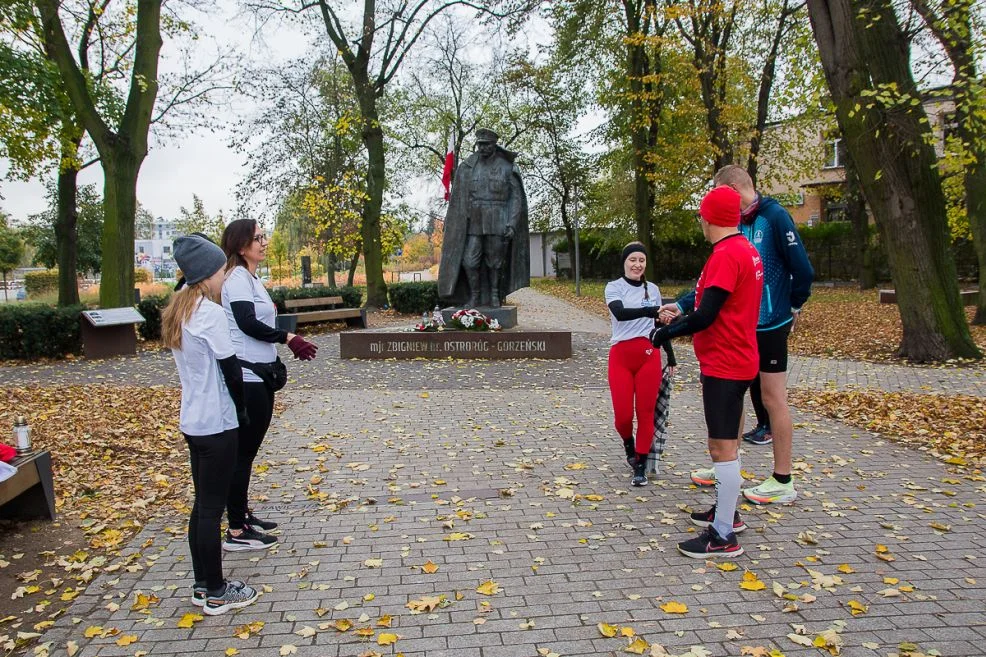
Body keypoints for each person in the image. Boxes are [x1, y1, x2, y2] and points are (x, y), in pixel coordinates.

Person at [665, 166, 814, 504]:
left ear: (733, 188)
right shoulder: (735, 225)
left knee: (773, 398)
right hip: (741, 326)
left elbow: (802, 269)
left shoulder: (774, 216)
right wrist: (683, 303)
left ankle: (782, 479)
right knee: (735, 397)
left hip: (771, 324)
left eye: (718, 190)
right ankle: (727, 464)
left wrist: (792, 308)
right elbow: (717, 284)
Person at [650, 186, 763, 558]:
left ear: (709, 218)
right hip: (739, 357)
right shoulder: (743, 249)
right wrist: (680, 311)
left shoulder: (726, 254)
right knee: (726, 440)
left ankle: (723, 535)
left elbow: (707, 315)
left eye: (701, 215)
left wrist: (664, 333)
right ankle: (727, 513)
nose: (700, 221)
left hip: (726, 363)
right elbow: (710, 301)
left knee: (721, 447)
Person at [162, 234, 260, 614]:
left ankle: (202, 584)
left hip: (193, 420)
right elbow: (231, 371)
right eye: (221, 270)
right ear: (205, 275)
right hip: (218, 423)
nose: (224, 276)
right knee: (211, 510)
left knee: (202, 506)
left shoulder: (178, 312)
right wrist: (242, 411)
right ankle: (218, 592)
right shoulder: (210, 313)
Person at [220, 219, 318, 552]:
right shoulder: (235, 280)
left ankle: (242, 514)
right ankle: (236, 529)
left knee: (247, 452)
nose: (263, 242)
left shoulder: (251, 278)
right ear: (240, 244)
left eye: (263, 236)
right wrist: (286, 337)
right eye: (257, 238)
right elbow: (247, 324)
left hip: (260, 372)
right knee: (243, 453)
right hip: (247, 376)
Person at [605, 242, 676, 487]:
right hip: (621, 357)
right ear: (625, 262)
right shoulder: (614, 287)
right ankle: (629, 444)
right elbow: (620, 312)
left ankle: (640, 464)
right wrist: (652, 311)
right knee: (623, 417)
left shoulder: (653, 289)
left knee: (645, 413)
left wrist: (671, 357)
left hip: (649, 355)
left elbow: (660, 326)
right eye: (633, 260)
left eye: (642, 261)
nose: (637, 265)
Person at [438, 128, 530, 308]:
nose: (482, 148)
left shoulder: (507, 167)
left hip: (498, 220)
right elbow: (458, 199)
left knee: (494, 261)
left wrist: (511, 223)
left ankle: (495, 294)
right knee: (469, 260)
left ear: (494, 145)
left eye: (486, 144)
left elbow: (516, 198)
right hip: (474, 221)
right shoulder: (468, 167)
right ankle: (475, 296)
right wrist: (451, 222)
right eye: (479, 144)